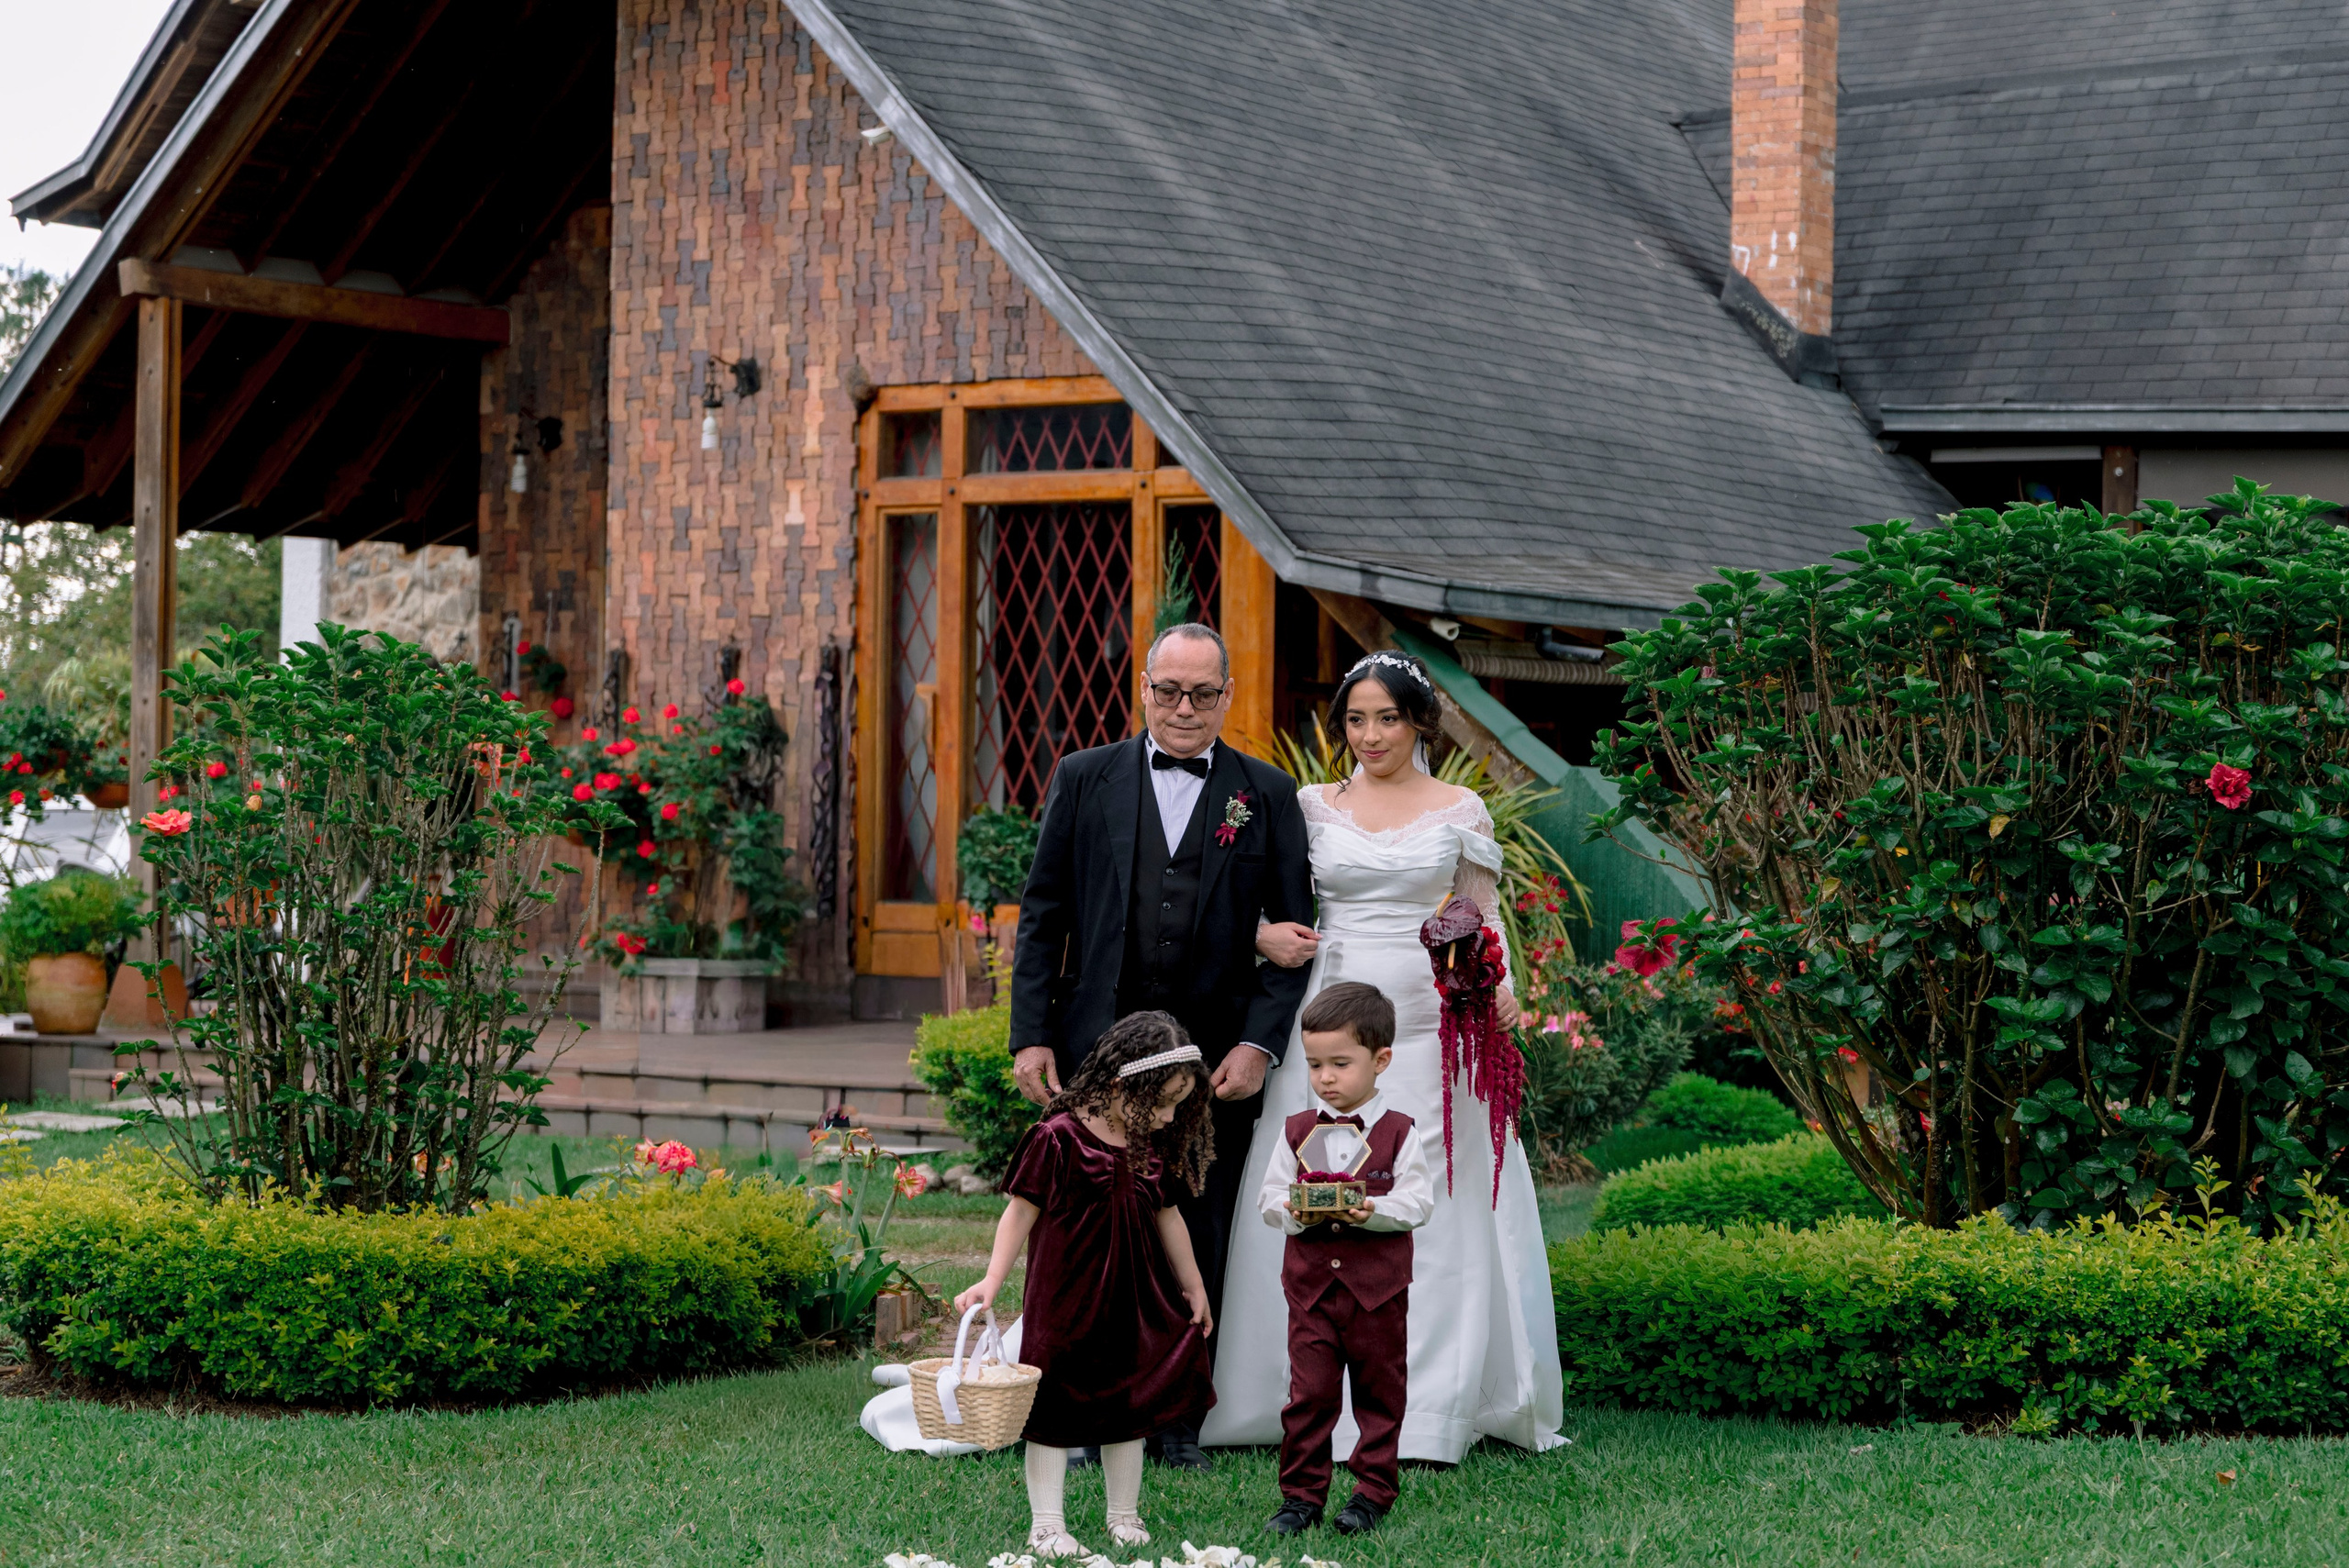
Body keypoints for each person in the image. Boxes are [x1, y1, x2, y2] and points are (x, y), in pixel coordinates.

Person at [1203, 650, 1565, 1463]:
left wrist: (1499, 985)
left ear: (1419, 723)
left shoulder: (1462, 807)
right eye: (1356, 719)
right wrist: (1262, 935)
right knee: (1315, 1177)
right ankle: (1293, 1396)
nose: (1371, 735)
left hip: (1428, 1019)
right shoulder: (1308, 806)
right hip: (1328, 1016)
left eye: (1388, 718)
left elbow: (1480, 914)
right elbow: (1249, 896)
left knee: (1427, 1192)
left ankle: (1426, 1408)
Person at [1008, 621, 1316, 1469]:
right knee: (1082, 1230)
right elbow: (1043, 919)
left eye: (1203, 693)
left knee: (1199, 1225)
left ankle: (1177, 1417)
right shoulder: (1083, 776)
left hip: (1210, 1061)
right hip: (1095, 1047)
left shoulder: (1269, 795)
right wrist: (1032, 1034)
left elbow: (1295, 939)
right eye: (1169, 691)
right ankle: (1072, 1405)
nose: (1184, 708)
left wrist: (1260, 1045)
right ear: (1143, 688)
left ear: (1227, 696)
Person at [953, 1011, 1219, 1560]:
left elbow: (1169, 1216)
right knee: (1052, 1409)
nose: (1169, 1117)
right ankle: (1047, 1525)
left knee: (1129, 1403)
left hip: (1134, 1299)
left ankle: (1124, 1514)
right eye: (1163, 1102)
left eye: (1177, 1104)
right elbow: (1019, 1213)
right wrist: (991, 1279)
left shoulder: (1151, 1143)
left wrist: (1193, 1284)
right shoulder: (1057, 1138)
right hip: (1064, 1299)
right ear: (1123, 1086)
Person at [1259, 982, 1431, 1539]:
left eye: (1339, 1063)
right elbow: (1268, 1199)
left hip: (1377, 1293)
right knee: (1308, 1394)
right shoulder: (1294, 1132)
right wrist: (1292, 1211)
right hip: (1310, 1291)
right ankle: (1301, 1497)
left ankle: (1372, 1491)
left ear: (1380, 1060)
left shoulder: (1401, 1132)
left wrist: (1370, 1210)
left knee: (1380, 1392)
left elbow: (1417, 1203)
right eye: (1314, 1064)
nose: (1325, 1077)